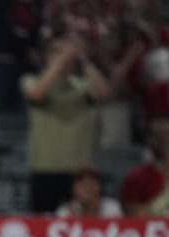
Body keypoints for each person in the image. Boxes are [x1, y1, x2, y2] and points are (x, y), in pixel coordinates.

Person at [22, 35, 111, 213]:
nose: (65, 57)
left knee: (81, 225)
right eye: (57, 52)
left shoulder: (82, 86)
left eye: (69, 54)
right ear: (47, 57)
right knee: (42, 226)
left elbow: (103, 93)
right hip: (44, 169)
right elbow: (36, 94)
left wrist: (84, 61)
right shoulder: (30, 81)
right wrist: (62, 59)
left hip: (78, 172)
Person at [120, 115, 169, 215]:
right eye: (157, 135)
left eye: (166, 134)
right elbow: (132, 214)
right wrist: (163, 202)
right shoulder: (135, 178)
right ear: (148, 139)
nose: (162, 140)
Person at [54, 165, 123, 217]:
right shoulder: (65, 211)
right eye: (82, 184)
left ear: (100, 187)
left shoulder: (112, 208)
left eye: (91, 184)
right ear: (73, 189)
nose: (87, 189)